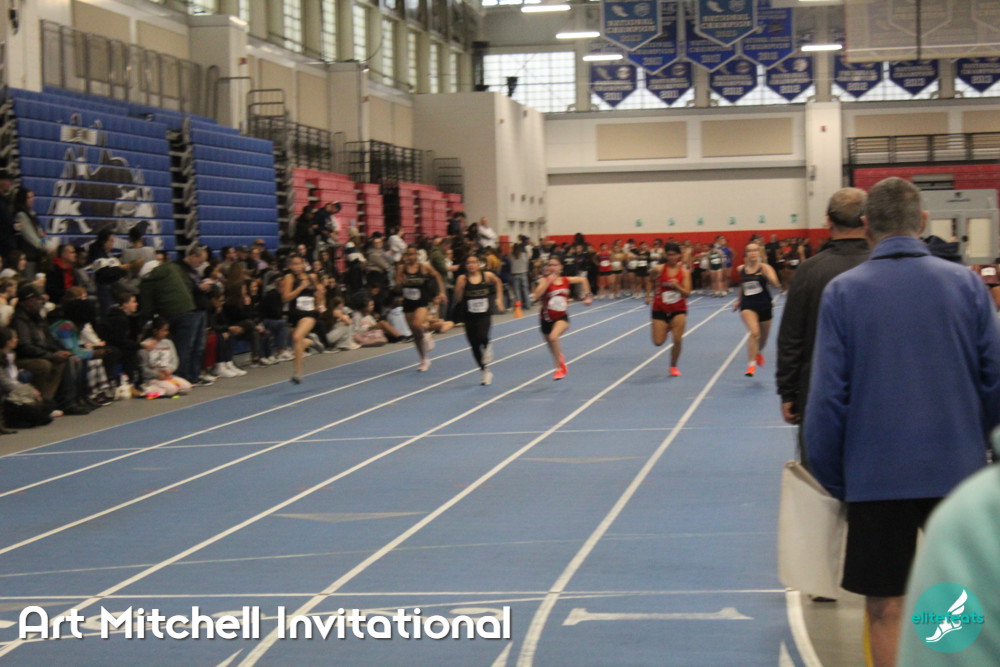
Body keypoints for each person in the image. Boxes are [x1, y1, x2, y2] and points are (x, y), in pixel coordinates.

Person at [805, 177, 1000, 667]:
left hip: (875, 477)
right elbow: (995, 380)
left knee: (886, 608)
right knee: (956, 600)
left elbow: (826, 399)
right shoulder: (967, 285)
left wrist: (836, 478)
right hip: (958, 473)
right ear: (924, 221)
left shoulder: (843, 292)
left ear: (866, 225)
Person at [776, 187, 870, 469]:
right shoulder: (883, 266)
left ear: (828, 221)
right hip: (873, 392)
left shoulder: (809, 271)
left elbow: (791, 338)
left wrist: (788, 392)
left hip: (818, 391)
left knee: (820, 478)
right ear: (867, 220)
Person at [897, 427, 1000, 666]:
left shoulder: (975, 515)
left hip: (877, 482)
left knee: (885, 606)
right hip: (958, 472)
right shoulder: (976, 517)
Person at [533, 256, 592, 380]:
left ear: (561, 267)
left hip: (561, 317)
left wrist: (587, 296)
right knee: (552, 347)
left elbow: (583, 280)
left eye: (555, 265)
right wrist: (548, 281)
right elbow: (536, 296)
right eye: (550, 265)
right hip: (545, 319)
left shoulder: (566, 280)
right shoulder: (544, 280)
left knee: (553, 337)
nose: (552, 267)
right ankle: (559, 359)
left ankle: (559, 368)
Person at [453, 253, 505, 385]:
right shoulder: (462, 278)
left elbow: (498, 283)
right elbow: (458, 299)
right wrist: (460, 288)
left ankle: (487, 344)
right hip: (469, 315)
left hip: (484, 314)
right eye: (468, 263)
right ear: (465, 265)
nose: (471, 265)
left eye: (474, 262)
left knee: (482, 335)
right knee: (474, 345)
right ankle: (484, 371)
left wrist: (499, 299)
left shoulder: (487, 276)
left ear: (478, 264)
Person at [395, 246, 446, 372]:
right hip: (408, 302)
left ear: (416, 255)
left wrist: (441, 292)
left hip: (421, 302)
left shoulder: (423, 267)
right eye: (408, 254)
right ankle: (424, 358)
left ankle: (425, 334)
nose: (410, 257)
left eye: (412, 254)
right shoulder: (401, 268)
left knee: (416, 324)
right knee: (414, 332)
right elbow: (397, 285)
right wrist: (400, 282)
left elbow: (437, 275)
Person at [734, 242, 780, 377]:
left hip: (764, 304)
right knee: (754, 333)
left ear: (759, 253)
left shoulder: (765, 268)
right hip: (748, 305)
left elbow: (776, 285)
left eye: (755, 250)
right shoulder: (741, 269)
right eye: (750, 251)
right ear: (746, 254)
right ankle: (751, 366)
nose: (753, 253)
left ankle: (758, 352)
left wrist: (769, 277)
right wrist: (739, 300)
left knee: (763, 340)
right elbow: (743, 285)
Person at [647, 242, 690, 377]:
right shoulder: (659, 269)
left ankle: (673, 365)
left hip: (678, 309)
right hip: (660, 308)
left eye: (674, 255)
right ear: (665, 256)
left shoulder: (684, 272)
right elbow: (650, 280)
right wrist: (648, 295)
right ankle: (667, 326)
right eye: (669, 255)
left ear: (679, 256)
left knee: (677, 339)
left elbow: (687, 293)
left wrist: (678, 286)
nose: (672, 257)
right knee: (658, 342)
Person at [282, 254, 325, 384]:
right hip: (294, 315)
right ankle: (311, 342)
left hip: (309, 314)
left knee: (296, 337)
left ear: (304, 264)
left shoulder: (312, 277)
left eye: (299, 264)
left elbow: (320, 292)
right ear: (290, 266)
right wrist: (300, 287)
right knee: (298, 342)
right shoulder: (289, 277)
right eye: (294, 264)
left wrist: (320, 304)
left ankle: (298, 373)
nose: (297, 267)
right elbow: (285, 298)